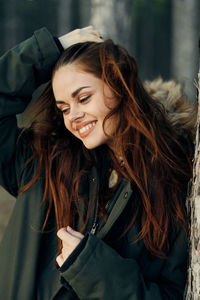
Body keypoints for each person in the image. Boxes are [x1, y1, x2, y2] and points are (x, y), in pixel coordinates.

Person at [0, 25, 195, 300]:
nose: (73, 116)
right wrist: (49, 49)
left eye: (83, 98)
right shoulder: (42, 164)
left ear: (119, 85)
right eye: (64, 108)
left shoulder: (172, 180)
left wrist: (94, 270)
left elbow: (172, 294)